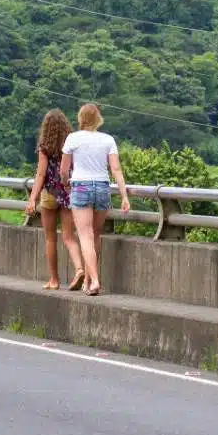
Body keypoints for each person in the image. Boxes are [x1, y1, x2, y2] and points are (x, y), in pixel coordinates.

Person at [60, 104, 130, 297]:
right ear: (98, 118)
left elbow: (64, 171)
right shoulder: (108, 140)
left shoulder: (73, 138)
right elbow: (116, 169)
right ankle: (89, 280)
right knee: (95, 235)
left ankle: (95, 280)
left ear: (80, 118)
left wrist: (66, 184)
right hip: (102, 187)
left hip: (81, 187)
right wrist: (124, 196)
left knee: (85, 236)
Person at [25, 109, 86, 291]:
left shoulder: (45, 146)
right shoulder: (72, 144)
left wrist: (32, 199)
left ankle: (54, 280)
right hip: (68, 193)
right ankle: (79, 269)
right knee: (69, 236)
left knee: (50, 238)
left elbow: (41, 174)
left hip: (50, 194)